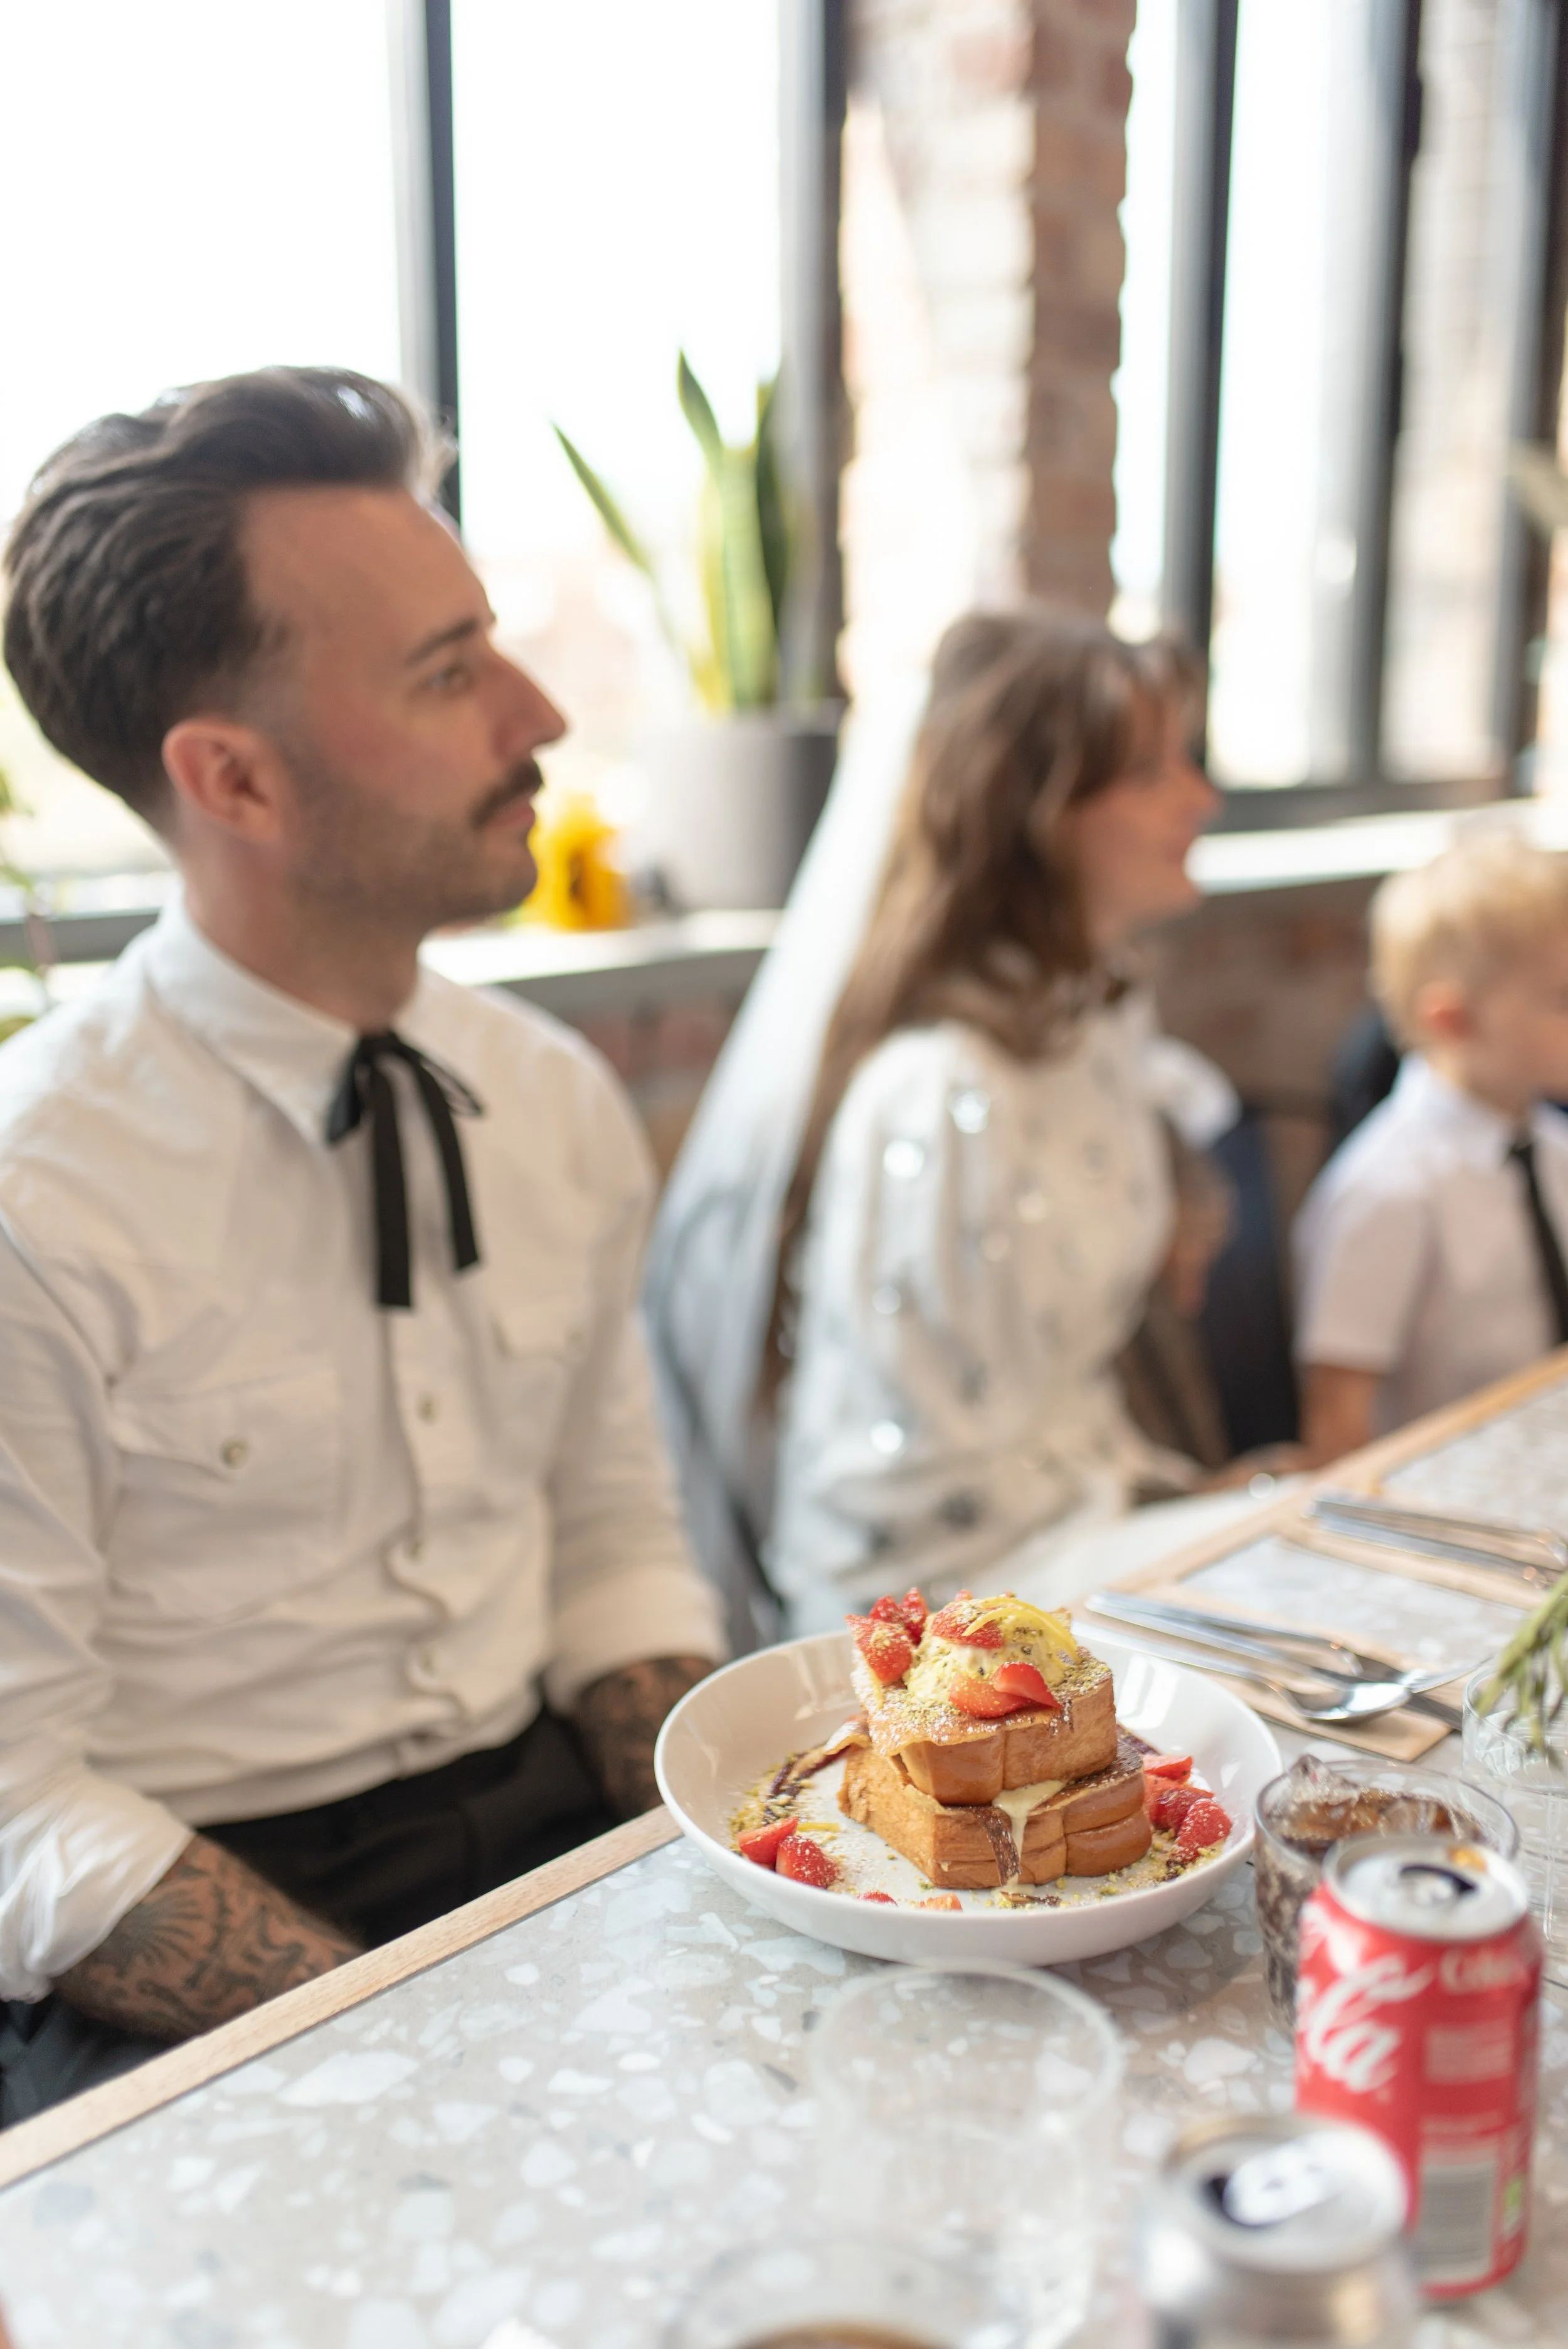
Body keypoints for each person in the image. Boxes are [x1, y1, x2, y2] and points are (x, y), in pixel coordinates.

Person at [0, 368, 723, 2123]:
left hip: (548, 1822)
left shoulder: (550, 1100)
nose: (539, 712)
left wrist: (749, 1862)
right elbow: (19, 1796)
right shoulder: (35, 1191)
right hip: (174, 1929)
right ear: (231, 778)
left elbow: (614, 1550)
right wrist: (421, 2051)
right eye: (450, 670)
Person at [649, 608, 1241, 1641]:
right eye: (1152, 773)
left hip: (1093, 1506)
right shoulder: (939, 1093)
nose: (1202, 798)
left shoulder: (1087, 1028)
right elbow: (917, 1485)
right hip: (951, 1593)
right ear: (1040, 816)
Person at [1295, 832, 1568, 1460]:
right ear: (1452, 1018)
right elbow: (1337, 1419)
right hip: (1453, 1501)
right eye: (1563, 999)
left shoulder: (1552, 1146)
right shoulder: (1387, 1189)